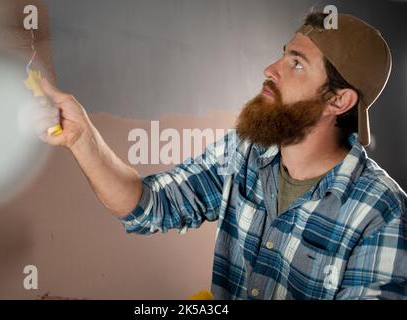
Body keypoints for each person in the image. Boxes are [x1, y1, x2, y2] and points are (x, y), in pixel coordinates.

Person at [33, 12, 407, 299]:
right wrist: (82, 138)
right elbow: (149, 205)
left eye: (296, 63)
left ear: (338, 100)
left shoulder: (382, 213)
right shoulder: (244, 153)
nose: (270, 69)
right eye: (283, 55)